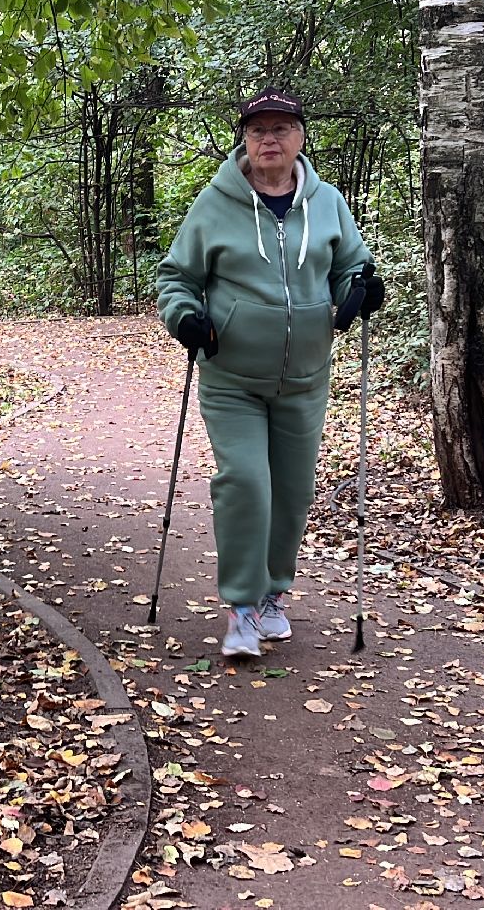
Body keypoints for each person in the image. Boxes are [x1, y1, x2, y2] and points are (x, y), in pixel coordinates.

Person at [156, 87, 384, 658]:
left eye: (282, 128)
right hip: (232, 377)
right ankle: (240, 607)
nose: (270, 139)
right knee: (246, 484)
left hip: (305, 379)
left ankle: (272, 598)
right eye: (259, 130)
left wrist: (360, 289)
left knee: (293, 492)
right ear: (245, 139)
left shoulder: (327, 201)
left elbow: (350, 265)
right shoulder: (214, 205)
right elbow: (175, 277)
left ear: (300, 137)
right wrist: (186, 317)